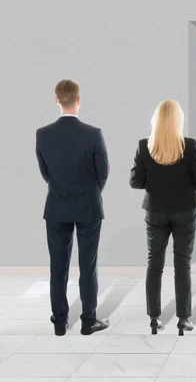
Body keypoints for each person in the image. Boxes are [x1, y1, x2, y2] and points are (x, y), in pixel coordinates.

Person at [35, 80, 110, 336]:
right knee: (88, 266)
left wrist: (62, 189)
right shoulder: (93, 133)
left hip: (56, 207)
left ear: (56, 100)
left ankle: (59, 322)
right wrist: (89, 192)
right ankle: (89, 321)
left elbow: (46, 173)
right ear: (79, 100)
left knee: (58, 266)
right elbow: (103, 173)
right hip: (88, 206)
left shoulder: (42, 134)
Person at [130, 99, 196, 336]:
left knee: (154, 263)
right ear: (178, 121)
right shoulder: (190, 146)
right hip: (185, 210)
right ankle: (183, 319)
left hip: (155, 211)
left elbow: (136, 182)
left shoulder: (145, 146)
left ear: (156, 119)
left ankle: (154, 319)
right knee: (182, 263)